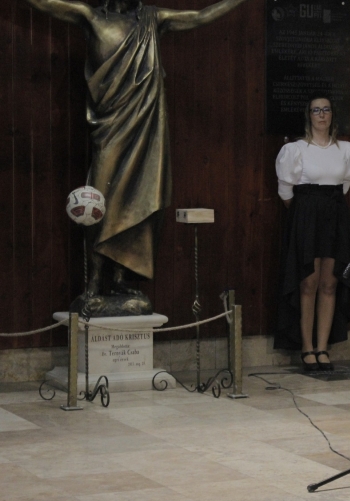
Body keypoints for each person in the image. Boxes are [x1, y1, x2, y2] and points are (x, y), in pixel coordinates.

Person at [23, 0, 254, 316]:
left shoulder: (152, 19)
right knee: (98, 200)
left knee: (138, 199)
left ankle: (120, 280)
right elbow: (46, 4)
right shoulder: (91, 17)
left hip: (145, 125)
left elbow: (200, 16)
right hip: (110, 127)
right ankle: (94, 284)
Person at [275, 96, 350, 372]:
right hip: (306, 218)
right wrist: (307, 211)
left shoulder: (346, 149)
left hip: (335, 218)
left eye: (326, 110)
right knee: (308, 283)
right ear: (309, 115)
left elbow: (345, 185)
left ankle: (323, 347)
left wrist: (326, 207)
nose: (322, 114)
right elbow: (285, 192)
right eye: (316, 110)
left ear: (332, 115)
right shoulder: (295, 149)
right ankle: (307, 347)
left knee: (329, 283)